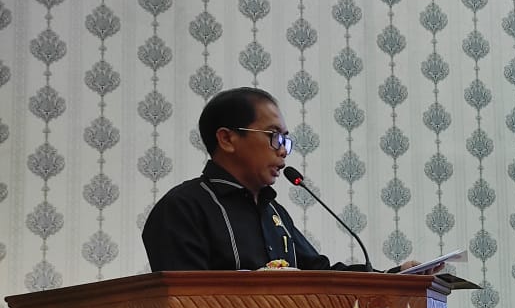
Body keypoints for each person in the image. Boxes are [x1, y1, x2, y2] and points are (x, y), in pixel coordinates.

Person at [143, 87, 372, 271]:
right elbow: (185, 301)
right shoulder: (182, 208)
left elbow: (319, 276)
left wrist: (389, 275)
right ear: (227, 139)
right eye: (274, 136)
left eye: (285, 141)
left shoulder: (274, 212)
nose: (282, 151)